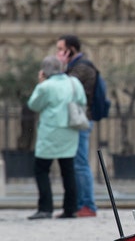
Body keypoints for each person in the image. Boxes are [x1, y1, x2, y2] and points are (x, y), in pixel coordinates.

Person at [27, 55, 86, 219]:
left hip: (50, 133)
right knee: (68, 171)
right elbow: (82, 100)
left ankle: (45, 208)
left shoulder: (45, 86)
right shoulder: (74, 82)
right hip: (70, 131)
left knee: (41, 170)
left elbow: (34, 104)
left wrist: (40, 83)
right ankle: (70, 209)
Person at [56, 34, 98, 217]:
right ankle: (79, 204)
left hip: (81, 120)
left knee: (81, 164)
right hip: (74, 120)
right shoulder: (75, 67)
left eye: (61, 49)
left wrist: (61, 66)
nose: (58, 53)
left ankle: (88, 205)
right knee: (76, 163)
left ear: (71, 49)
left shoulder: (82, 68)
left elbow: (64, 89)